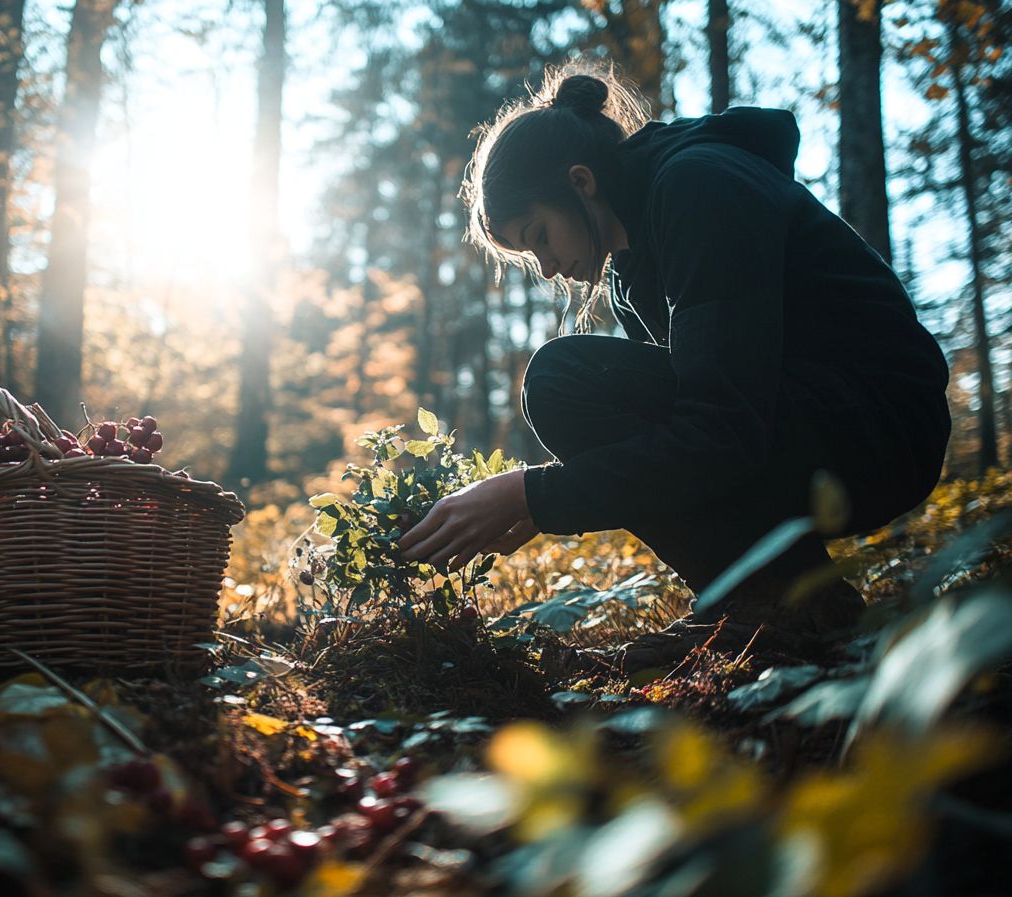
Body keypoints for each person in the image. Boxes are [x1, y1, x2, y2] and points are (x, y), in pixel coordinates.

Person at [396, 61, 951, 674]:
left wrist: (534, 494)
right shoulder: (635, 266)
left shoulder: (699, 186)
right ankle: (788, 600)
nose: (548, 266)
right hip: (810, 422)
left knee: (563, 380)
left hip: (882, 429)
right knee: (576, 387)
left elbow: (720, 434)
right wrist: (534, 501)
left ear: (581, 182)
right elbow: (698, 429)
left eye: (540, 235)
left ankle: (784, 606)